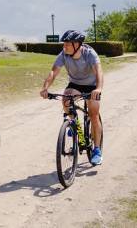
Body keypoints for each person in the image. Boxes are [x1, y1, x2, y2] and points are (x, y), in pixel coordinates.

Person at [40, 30, 104, 165]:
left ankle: (97, 150)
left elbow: (99, 71)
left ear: (77, 44)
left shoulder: (89, 53)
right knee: (66, 100)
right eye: (64, 44)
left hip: (92, 86)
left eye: (68, 44)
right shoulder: (64, 54)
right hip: (75, 84)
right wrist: (45, 88)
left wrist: (98, 88)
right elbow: (53, 72)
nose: (65, 46)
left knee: (93, 115)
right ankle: (74, 124)